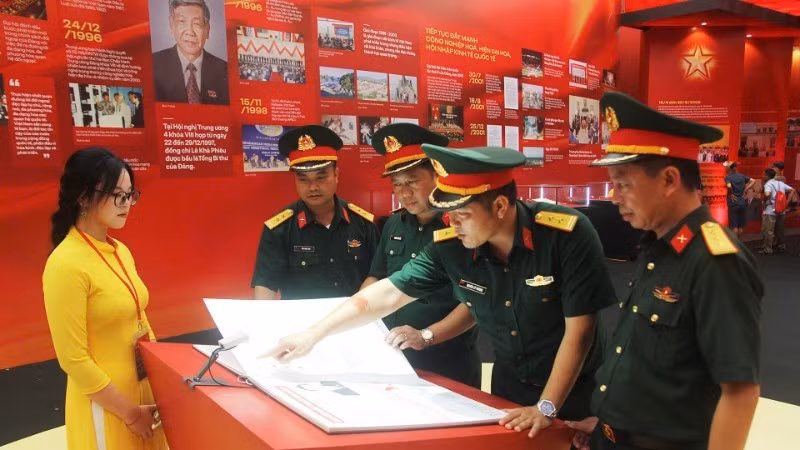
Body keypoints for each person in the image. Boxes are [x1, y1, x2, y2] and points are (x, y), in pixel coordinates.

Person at [264, 144, 617, 439]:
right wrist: (312, 334)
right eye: (449, 214)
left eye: (462, 214)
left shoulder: (565, 235)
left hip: (576, 390)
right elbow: (386, 294)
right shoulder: (453, 245)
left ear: (499, 206)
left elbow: (580, 332)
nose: (453, 224)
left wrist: (547, 405)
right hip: (510, 386)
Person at [565, 92, 763, 450]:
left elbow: (740, 391)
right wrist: (611, 421)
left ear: (670, 180)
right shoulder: (658, 247)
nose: (613, 196)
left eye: (623, 183)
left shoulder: (715, 261)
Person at [42, 148, 168, 450]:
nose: (127, 204)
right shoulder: (66, 263)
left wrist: (163, 383)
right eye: (117, 195)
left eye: (130, 195)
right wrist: (128, 413)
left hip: (144, 395)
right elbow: (73, 359)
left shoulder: (120, 250)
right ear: (83, 196)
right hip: (108, 406)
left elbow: (140, 318)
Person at [362, 123, 481, 388]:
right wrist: (356, 316)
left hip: (447, 361)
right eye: (397, 184)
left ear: (438, 175)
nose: (405, 192)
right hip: (393, 358)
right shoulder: (394, 225)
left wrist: (426, 336)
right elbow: (377, 277)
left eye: (413, 181)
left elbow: (474, 304)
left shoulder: (461, 227)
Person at [252, 125, 379, 300]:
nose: (313, 187)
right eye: (303, 180)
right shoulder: (280, 228)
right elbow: (265, 285)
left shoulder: (363, 223)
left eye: (321, 177)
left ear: (336, 174)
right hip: (303, 324)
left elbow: (378, 274)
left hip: (353, 319)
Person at [152, 0, 229, 105]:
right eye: (182, 22)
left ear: (207, 30)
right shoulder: (153, 64)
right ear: (171, 25)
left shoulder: (226, 71)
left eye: (197, 24)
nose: (190, 32)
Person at [760, 167, 794, 255]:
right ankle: (781, 246)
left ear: (767, 176)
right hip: (781, 210)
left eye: (764, 174)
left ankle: (768, 249)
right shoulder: (780, 183)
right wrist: (786, 202)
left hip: (770, 210)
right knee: (780, 229)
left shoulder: (767, 184)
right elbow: (792, 190)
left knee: (769, 231)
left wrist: (764, 200)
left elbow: (767, 194)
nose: (763, 176)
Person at [724, 161, 754, 238]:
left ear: (729, 169)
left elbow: (728, 185)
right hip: (742, 203)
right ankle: (739, 242)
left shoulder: (728, 177)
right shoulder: (742, 176)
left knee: (734, 226)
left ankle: (735, 245)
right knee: (740, 226)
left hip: (733, 203)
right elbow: (753, 181)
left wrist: (731, 193)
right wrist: (745, 189)